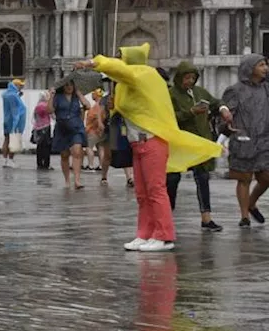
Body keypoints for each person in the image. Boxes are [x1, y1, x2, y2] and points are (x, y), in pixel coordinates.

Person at [74, 43, 222, 252]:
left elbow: (118, 69)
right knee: (142, 193)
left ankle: (164, 235)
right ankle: (144, 234)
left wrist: (93, 62)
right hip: (138, 143)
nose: (120, 59)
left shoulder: (144, 74)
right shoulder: (130, 82)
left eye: (122, 56)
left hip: (152, 142)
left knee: (156, 190)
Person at [169, 61, 222, 231]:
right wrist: (190, 112)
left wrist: (223, 108)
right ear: (179, 78)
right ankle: (167, 215)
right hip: (180, 143)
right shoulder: (171, 94)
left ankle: (206, 218)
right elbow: (169, 116)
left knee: (202, 177)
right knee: (172, 179)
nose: (190, 81)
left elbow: (215, 102)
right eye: (187, 77)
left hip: (199, 142)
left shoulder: (200, 92)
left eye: (193, 77)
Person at [219, 54, 269, 228]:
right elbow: (225, 111)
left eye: (265, 65)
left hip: (264, 140)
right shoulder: (235, 90)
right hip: (244, 139)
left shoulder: (266, 89)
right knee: (244, 178)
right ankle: (245, 216)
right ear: (250, 68)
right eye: (261, 65)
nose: (265, 68)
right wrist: (226, 123)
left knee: (266, 177)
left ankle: (252, 202)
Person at [52, 80, 91, 189]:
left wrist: (79, 93)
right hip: (62, 128)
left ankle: (77, 180)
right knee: (64, 155)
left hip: (76, 128)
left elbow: (88, 106)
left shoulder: (76, 97)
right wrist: (51, 96)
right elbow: (49, 109)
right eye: (67, 85)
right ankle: (67, 180)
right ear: (63, 87)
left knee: (77, 151)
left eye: (71, 85)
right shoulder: (58, 97)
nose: (69, 87)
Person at [1, 80, 26, 168]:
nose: (21, 88)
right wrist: (15, 124)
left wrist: (18, 96)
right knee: (13, 140)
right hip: (13, 121)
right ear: (15, 85)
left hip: (7, 120)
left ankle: (5, 160)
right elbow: (15, 110)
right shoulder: (13, 96)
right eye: (20, 86)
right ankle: (10, 160)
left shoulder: (7, 94)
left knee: (7, 139)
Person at [32, 90, 53, 170]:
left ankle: (39, 163)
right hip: (46, 127)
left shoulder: (38, 105)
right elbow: (52, 114)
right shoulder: (45, 106)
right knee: (46, 146)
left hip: (37, 127)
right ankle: (46, 164)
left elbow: (34, 117)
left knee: (39, 146)